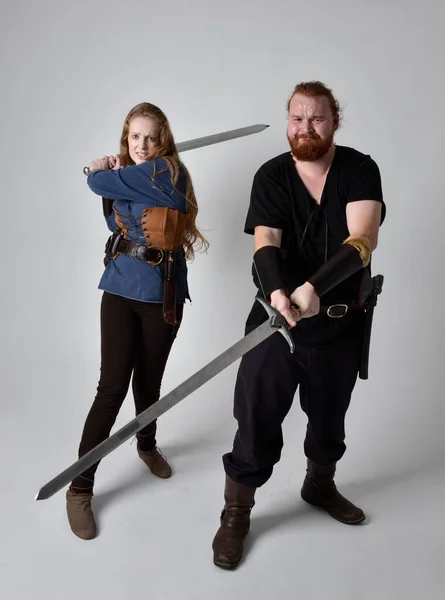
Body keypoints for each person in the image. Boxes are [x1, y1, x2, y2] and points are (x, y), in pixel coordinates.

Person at [211, 81, 386, 569]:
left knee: (330, 416)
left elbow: (363, 239)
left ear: (335, 122)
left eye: (317, 118)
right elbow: (266, 238)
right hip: (275, 321)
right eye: (297, 117)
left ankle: (319, 485)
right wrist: (278, 294)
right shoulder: (270, 175)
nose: (305, 127)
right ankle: (235, 513)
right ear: (287, 119)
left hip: (338, 322)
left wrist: (313, 290)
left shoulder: (359, 169)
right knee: (257, 412)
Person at [66, 102, 208, 540]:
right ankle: (80, 487)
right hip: (119, 289)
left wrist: (94, 172)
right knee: (111, 387)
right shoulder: (126, 176)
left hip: (161, 293)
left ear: (163, 139)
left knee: (149, 383)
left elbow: (96, 183)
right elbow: (113, 217)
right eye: (134, 138)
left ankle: (146, 445)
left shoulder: (170, 174)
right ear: (125, 139)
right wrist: (104, 177)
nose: (142, 145)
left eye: (150, 137)